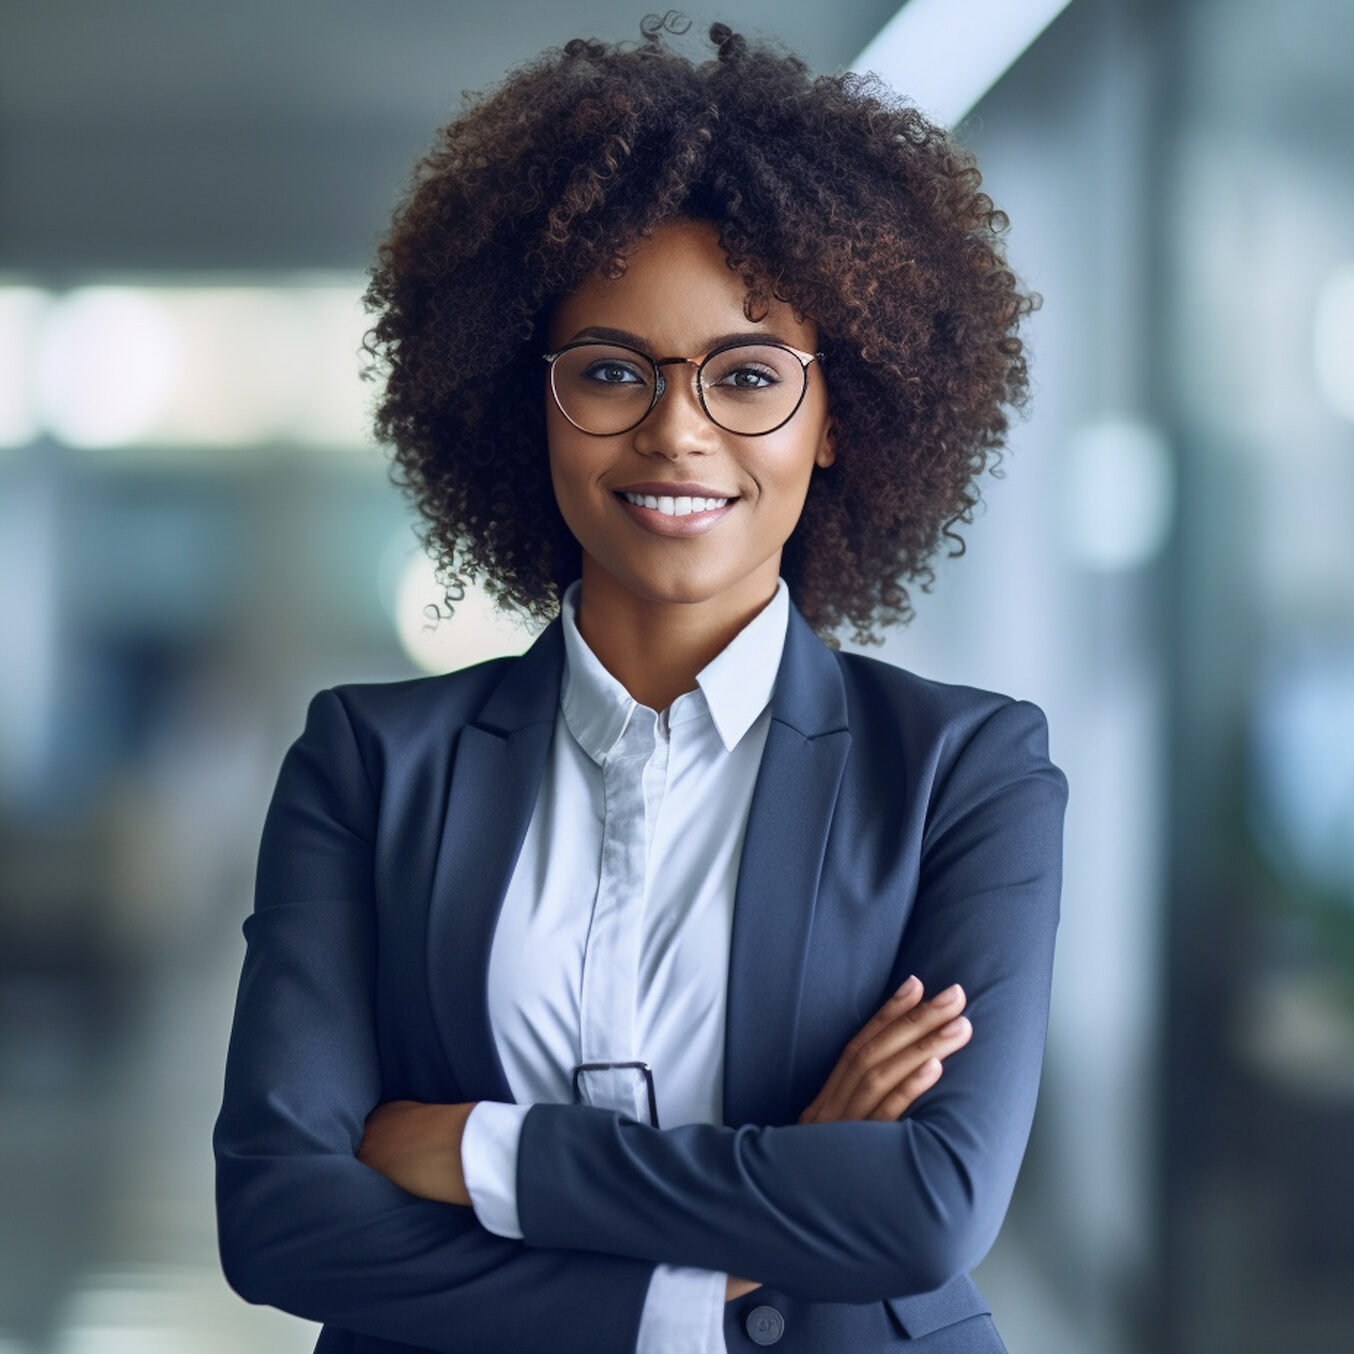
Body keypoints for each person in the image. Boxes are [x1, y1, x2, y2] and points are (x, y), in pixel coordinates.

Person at [213, 17, 1068, 1354]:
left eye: (747, 375)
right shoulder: (369, 765)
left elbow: (922, 1205)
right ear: (525, 399)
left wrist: (483, 1152)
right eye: (611, 369)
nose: (677, 430)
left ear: (837, 413)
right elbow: (277, 1214)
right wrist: (734, 1245)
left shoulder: (964, 770)